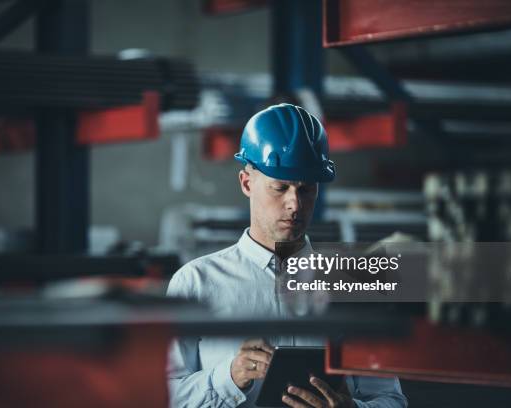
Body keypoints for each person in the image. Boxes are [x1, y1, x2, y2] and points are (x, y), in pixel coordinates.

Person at [167, 104, 407, 407]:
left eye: (306, 190)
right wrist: (228, 377)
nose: (295, 204)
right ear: (246, 183)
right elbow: (161, 397)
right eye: (280, 188)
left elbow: (390, 399)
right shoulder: (195, 283)